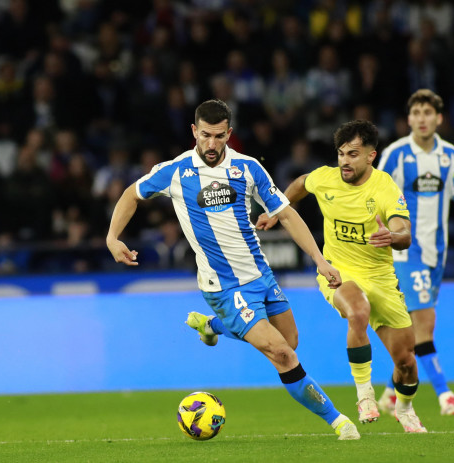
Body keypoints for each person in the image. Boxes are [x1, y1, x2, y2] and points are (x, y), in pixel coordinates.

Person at [107, 99, 361, 440]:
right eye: (206, 136)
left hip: (260, 275)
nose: (211, 144)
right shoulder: (177, 170)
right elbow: (130, 195)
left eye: (219, 136)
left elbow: (285, 213)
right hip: (223, 285)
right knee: (282, 355)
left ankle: (212, 326)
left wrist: (320, 259)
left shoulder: (248, 168)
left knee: (291, 341)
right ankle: (339, 422)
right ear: (194, 132)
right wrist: (112, 237)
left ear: (230, 133)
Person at [256, 119, 428, 433]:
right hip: (338, 270)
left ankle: (405, 408)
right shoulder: (326, 179)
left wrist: (392, 234)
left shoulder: (385, 187)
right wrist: (274, 209)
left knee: (406, 362)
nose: (344, 162)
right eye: (340, 154)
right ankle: (365, 396)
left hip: (381, 277)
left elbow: (405, 232)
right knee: (357, 310)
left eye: (352, 154)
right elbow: (300, 184)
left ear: (370, 156)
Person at [376, 89, 454, 416]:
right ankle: (445, 396)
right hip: (408, 250)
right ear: (409, 119)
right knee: (425, 324)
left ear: (438, 119)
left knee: (413, 326)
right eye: (416, 113)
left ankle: (390, 393)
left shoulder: (449, 155)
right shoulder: (396, 154)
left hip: (437, 251)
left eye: (427, 113)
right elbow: (376, 191)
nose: (422, 118)